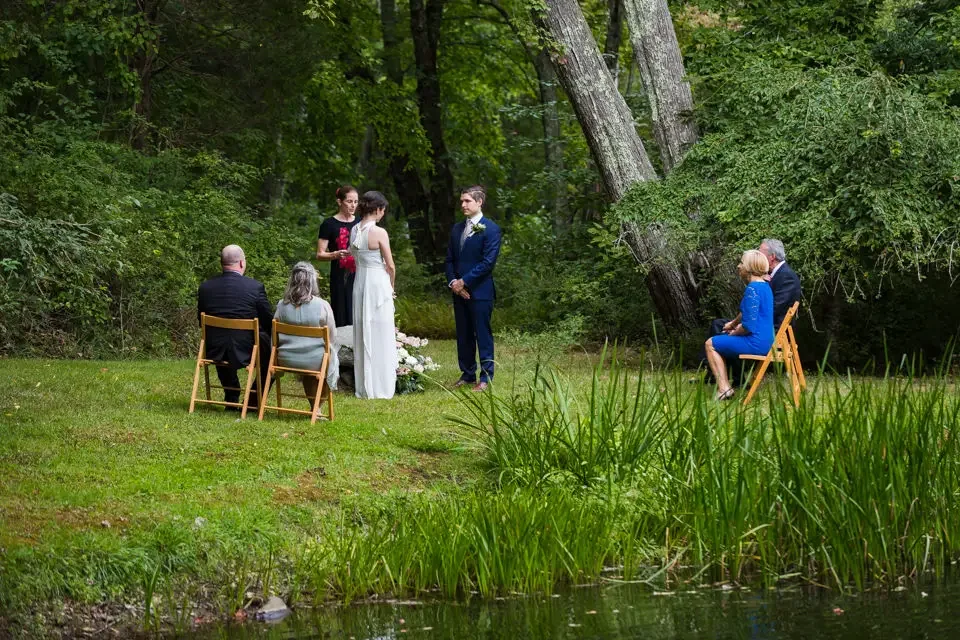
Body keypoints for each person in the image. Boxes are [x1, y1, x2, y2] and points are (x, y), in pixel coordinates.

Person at [700, 238, 802, 385]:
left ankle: (731, 378)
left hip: (772, 329)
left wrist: (738, 327)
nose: (757, 255)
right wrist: (736, 323)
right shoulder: (764, 281)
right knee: (719, 324)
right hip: (761, 324)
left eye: (760, 252)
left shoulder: (787, 277)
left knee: (720, 333)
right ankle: (720, 374)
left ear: (771, 257)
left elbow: (773, 310)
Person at [197, 245, 273, 409]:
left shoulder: (205, 288)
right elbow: (268, 321)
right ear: (241, 263)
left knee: (222, 337)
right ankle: (253, 401)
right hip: (247, 350)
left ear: (222, 263)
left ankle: (231, 396)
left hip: (214, 349)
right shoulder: (255, 287)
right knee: (272, 353)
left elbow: (199, 320)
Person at [445, 185, 502, 391]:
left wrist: (465, 281)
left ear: (479, 202)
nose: (463, 205)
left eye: (467, 201)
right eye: (462, 201)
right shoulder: (457, 229)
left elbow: (488, 263)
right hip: (459, 292)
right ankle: (467, 374)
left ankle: (486, 377)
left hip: (480, 291)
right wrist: (454, 283)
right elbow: (450, 259)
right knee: (464, 333)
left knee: (482, 334)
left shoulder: (491, 229)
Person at [704, 250, 775, 401]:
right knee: (720, 339)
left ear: (749, 267)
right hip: (766, 341)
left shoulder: (752, 289)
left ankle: (724, 389)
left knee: (711, 343)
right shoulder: (764, 287)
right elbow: (747, 312)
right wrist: (733, 323)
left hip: (755, 343)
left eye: (742, 263)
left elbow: (748, 326)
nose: (738, 266)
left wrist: (734, 333)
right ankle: (725, 386)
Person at [350, 190, 398, 399]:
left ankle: (364, 385)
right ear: (378, 209)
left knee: (363, 329)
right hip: (377, 281)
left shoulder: (354, 230)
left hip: (360, 281)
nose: (383, 214)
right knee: (381, 329)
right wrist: (391, 286)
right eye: (383, 210)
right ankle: (380, 386)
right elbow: (390, 265)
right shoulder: (379, 232)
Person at [274, 262, 340, 407]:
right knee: (329, 356)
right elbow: (332, 337)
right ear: (312, 281)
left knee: (319, 358)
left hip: (285, 359)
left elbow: (275, 336)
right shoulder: (322, 306)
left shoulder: (281, 305)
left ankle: (315, 407)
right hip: (314, 361)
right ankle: (317, 408)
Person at [316, 185, 360, 327]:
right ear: (339, 202)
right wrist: (335, 254)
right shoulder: (329, 224)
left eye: (355, 202)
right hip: (339, 276)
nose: (353, 205)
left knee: (358, 309)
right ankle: (340, 346)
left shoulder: (360, 223)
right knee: (340, 310)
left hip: (359, 273)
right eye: (349, 201)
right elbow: (320, 254)